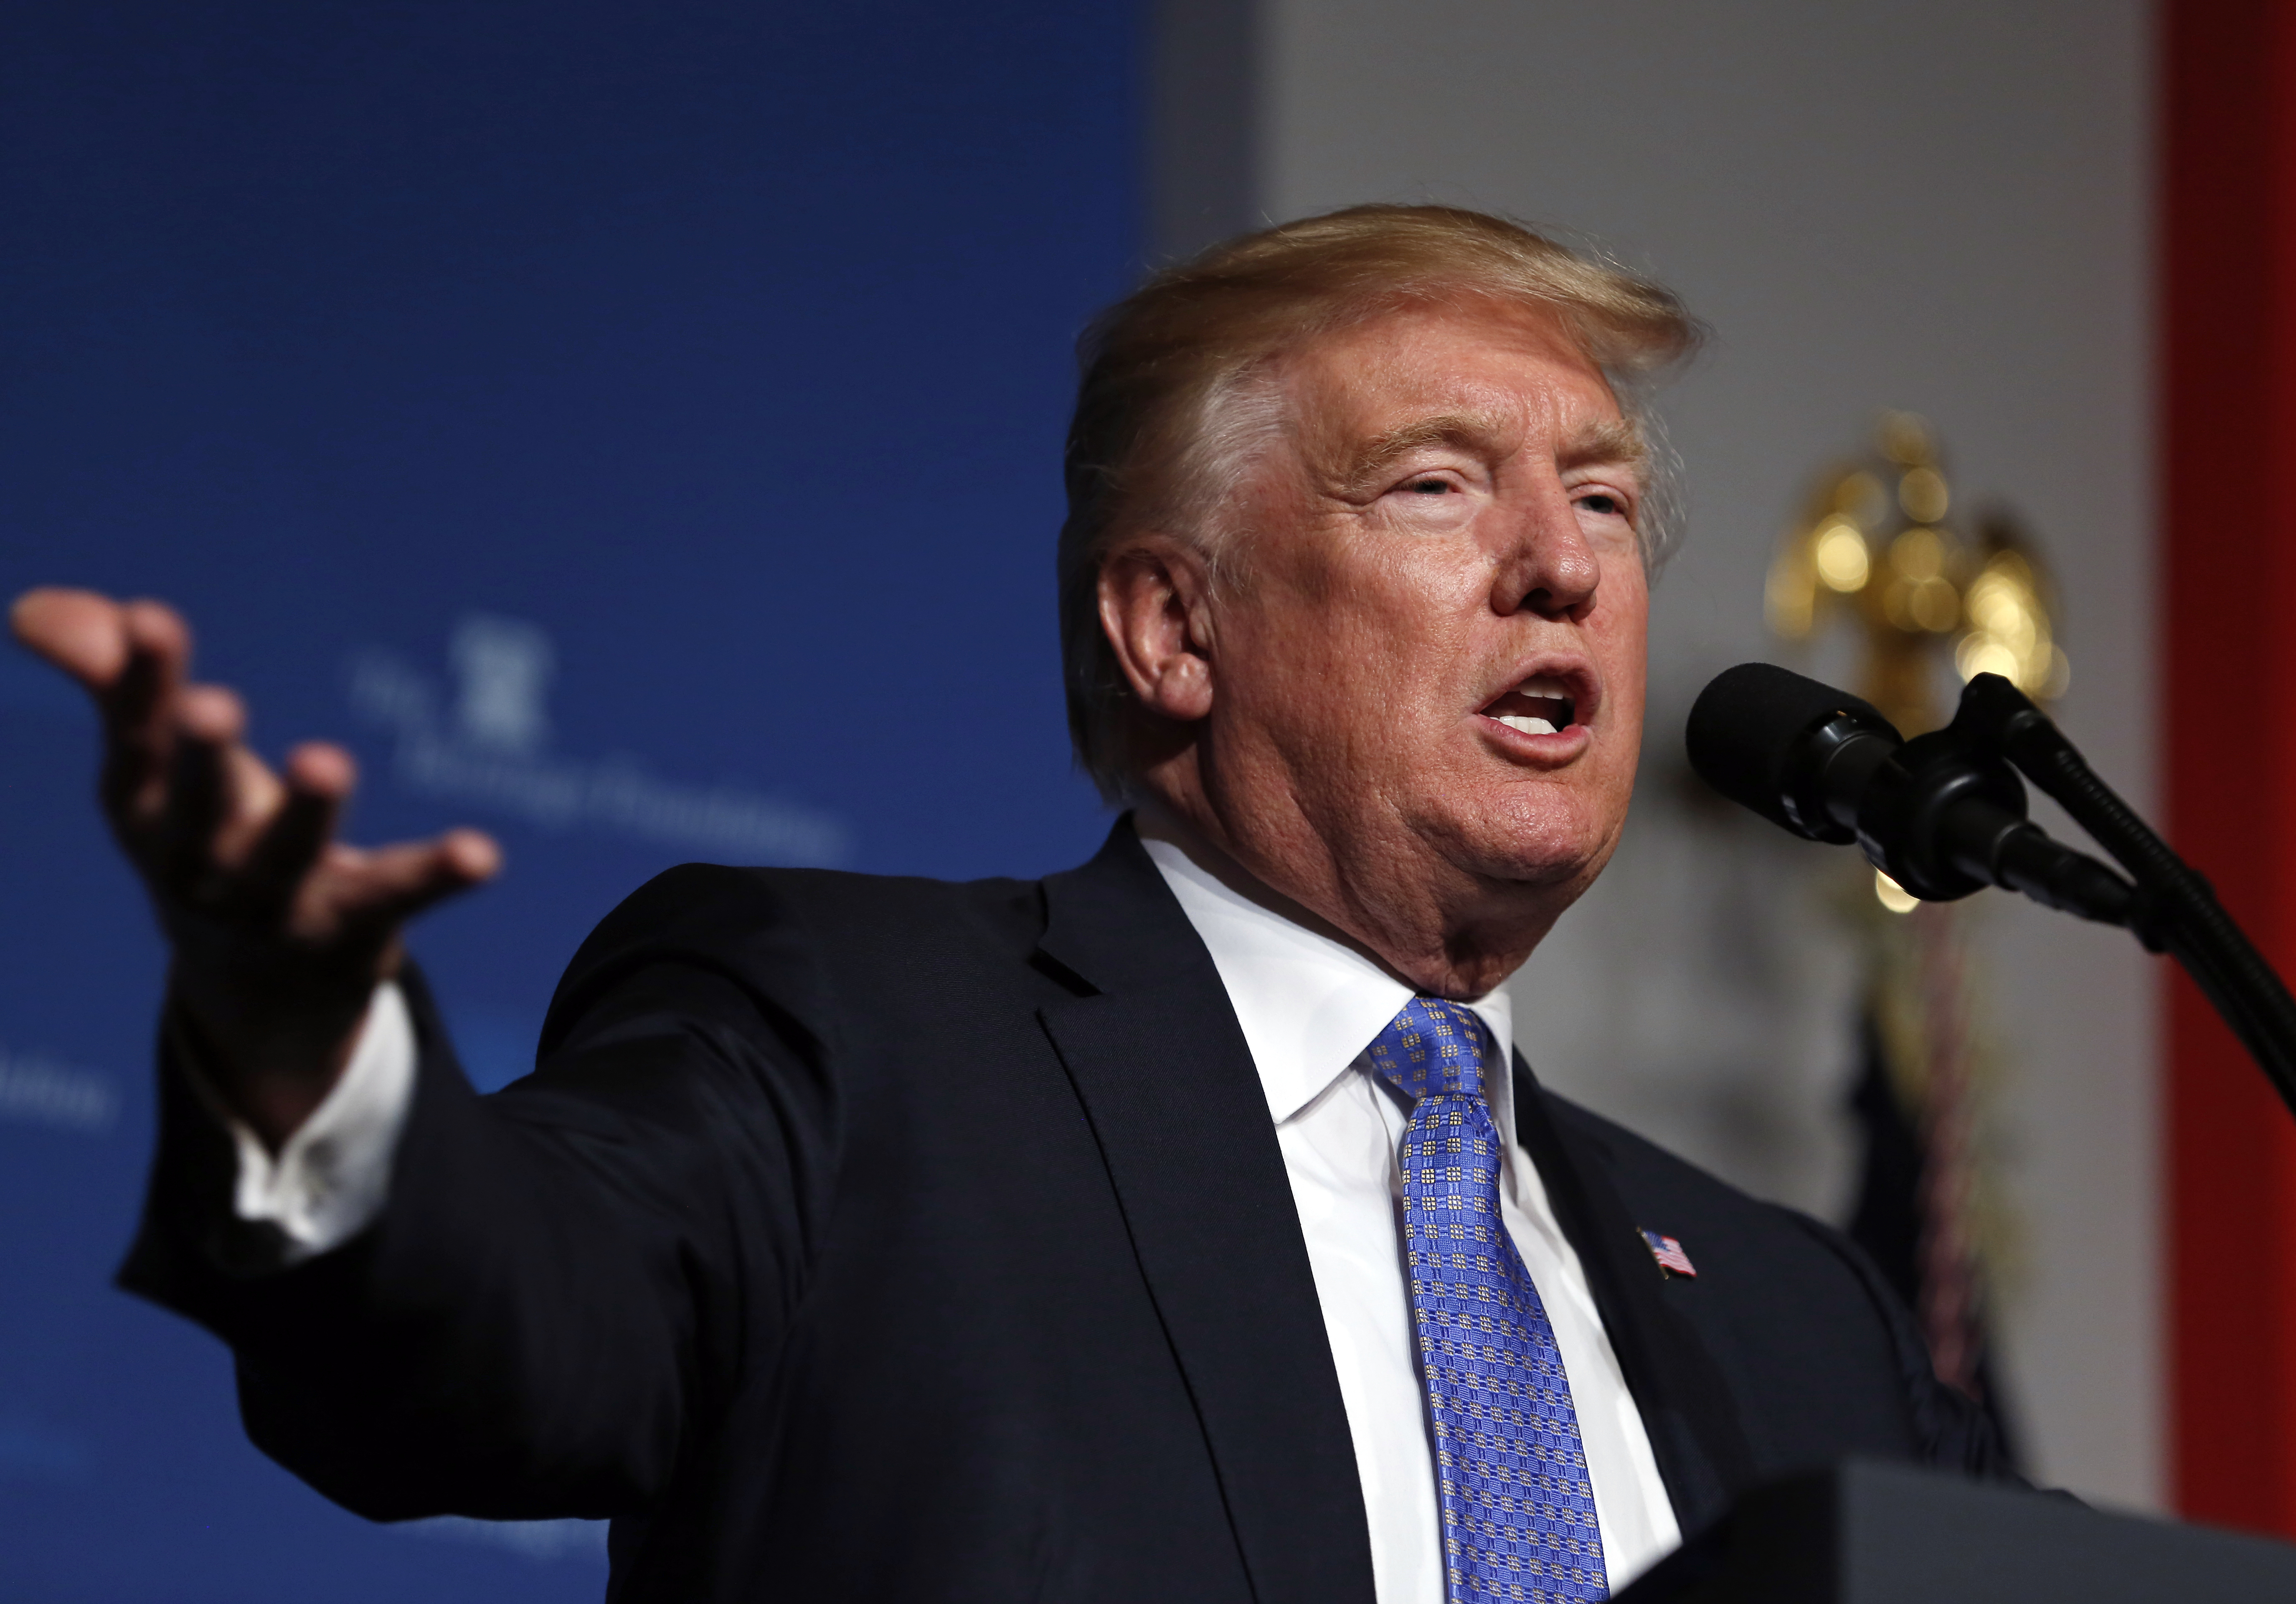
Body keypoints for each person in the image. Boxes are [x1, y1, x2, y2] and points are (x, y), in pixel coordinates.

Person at [12, 206, 2002, 1604]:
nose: (1561, 566)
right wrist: (316, 1066)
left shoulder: (1795, 1317)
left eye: (1599, 498)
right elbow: (492, 1342)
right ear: (1171, 626)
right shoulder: (855, 1047)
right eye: (1434, 486)